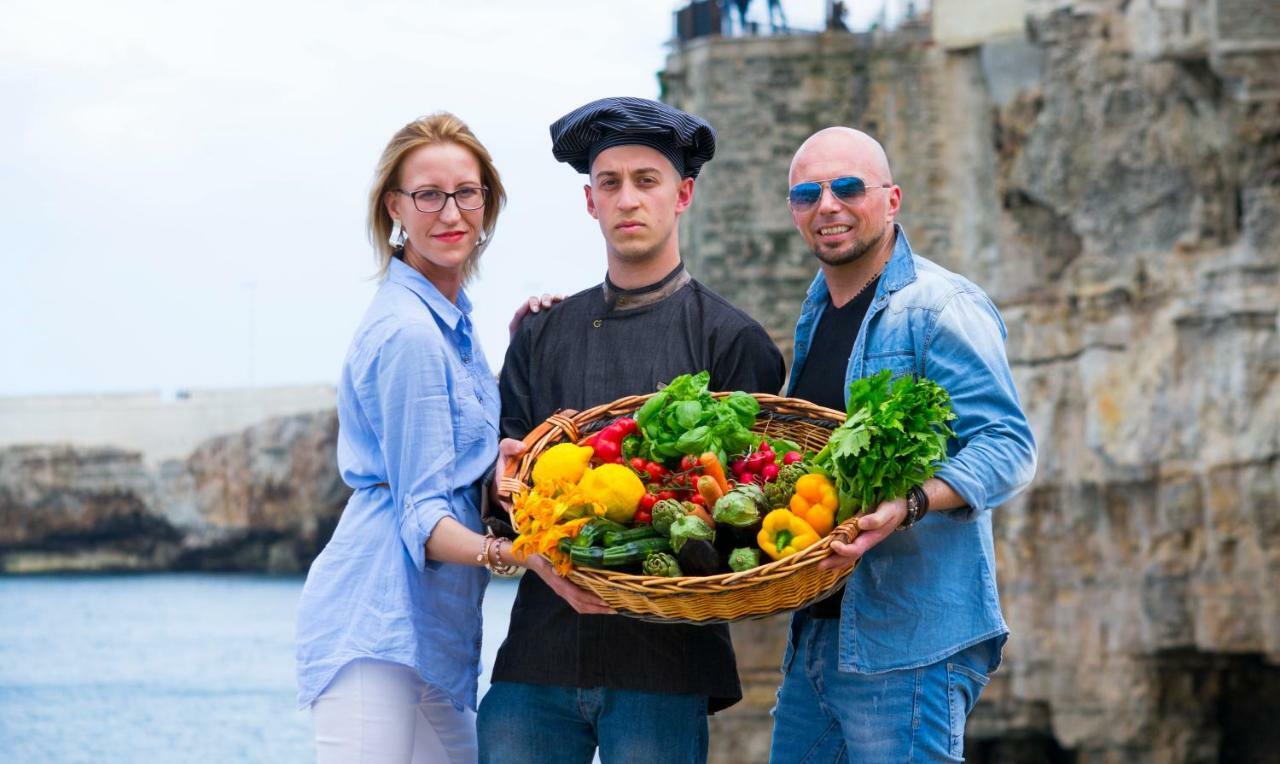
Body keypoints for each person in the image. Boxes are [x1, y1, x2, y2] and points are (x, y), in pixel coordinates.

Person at [476, 96, 786, 764]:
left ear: (684, 195)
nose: (628, 200)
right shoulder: (542, 333)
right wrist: (503, 489)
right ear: (590, 202)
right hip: (538, 657)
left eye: (647, 181)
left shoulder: (733, 340)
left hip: (665, 670)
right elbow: (498, 486)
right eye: (610, 184)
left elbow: (755, 512)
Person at [294, 112, 607, 764]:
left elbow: (451, 443)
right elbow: (422, 517)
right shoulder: (410, 333)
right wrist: (525, 556)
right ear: (395, 208)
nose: (451, 211)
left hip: (425, 628)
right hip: (377, 623)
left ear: (487, 202)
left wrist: (525, 347)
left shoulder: (452, 322)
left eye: (468, 191)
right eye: (428, 194)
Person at [769, 127, 1037, 761]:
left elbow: (1008, 446)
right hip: (819, 635)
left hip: (909, 646)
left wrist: (908, 503)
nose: (827, 205)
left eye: (848, 188)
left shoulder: (940, 307)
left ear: (892, 200)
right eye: (808, 193)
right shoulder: (817, 311)